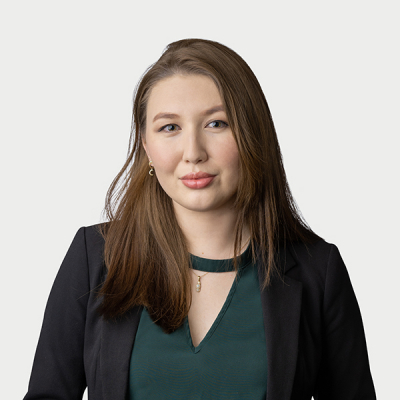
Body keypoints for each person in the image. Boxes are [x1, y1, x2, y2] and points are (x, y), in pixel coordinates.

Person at [23, 38, 376, 400]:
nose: (193, 153)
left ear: (253, 133)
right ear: (145, 145)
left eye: (216, 123)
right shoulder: (94, 257)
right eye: (169, 127)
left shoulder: (318, 272)